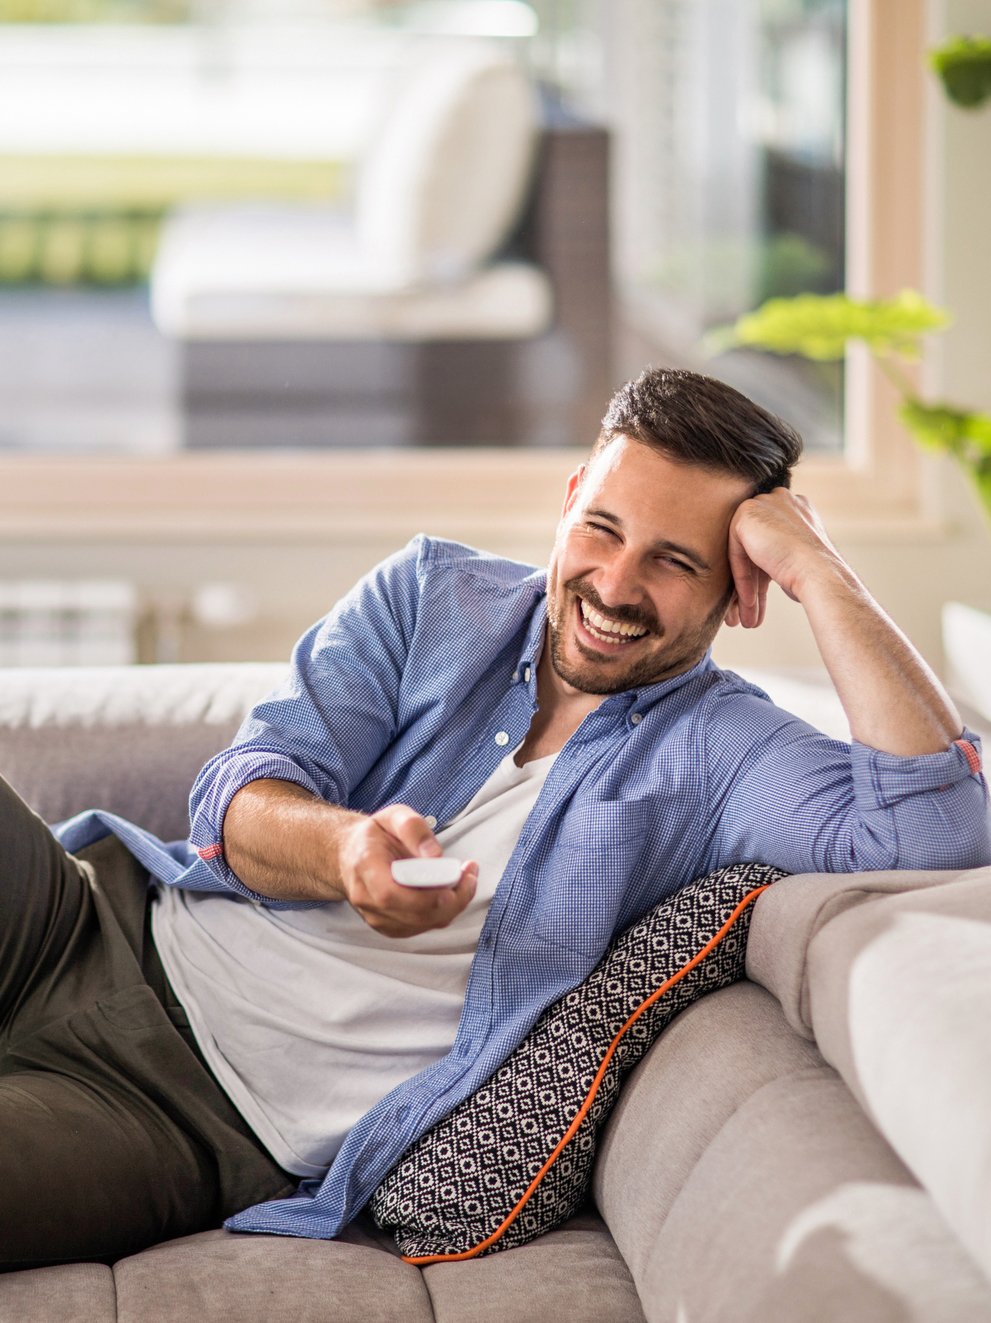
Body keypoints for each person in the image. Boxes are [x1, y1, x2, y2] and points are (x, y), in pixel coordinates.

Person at [2, 367, 988, 1270]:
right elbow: (240, 795)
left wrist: (823, 572)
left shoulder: (728, 754)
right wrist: (348, 852)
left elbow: (939, 838)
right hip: (86, 919)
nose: (615, 585)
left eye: (673, 561)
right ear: (567, 502)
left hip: (185, 1118)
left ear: (740, 594)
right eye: (601, 529)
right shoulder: (430, 597)